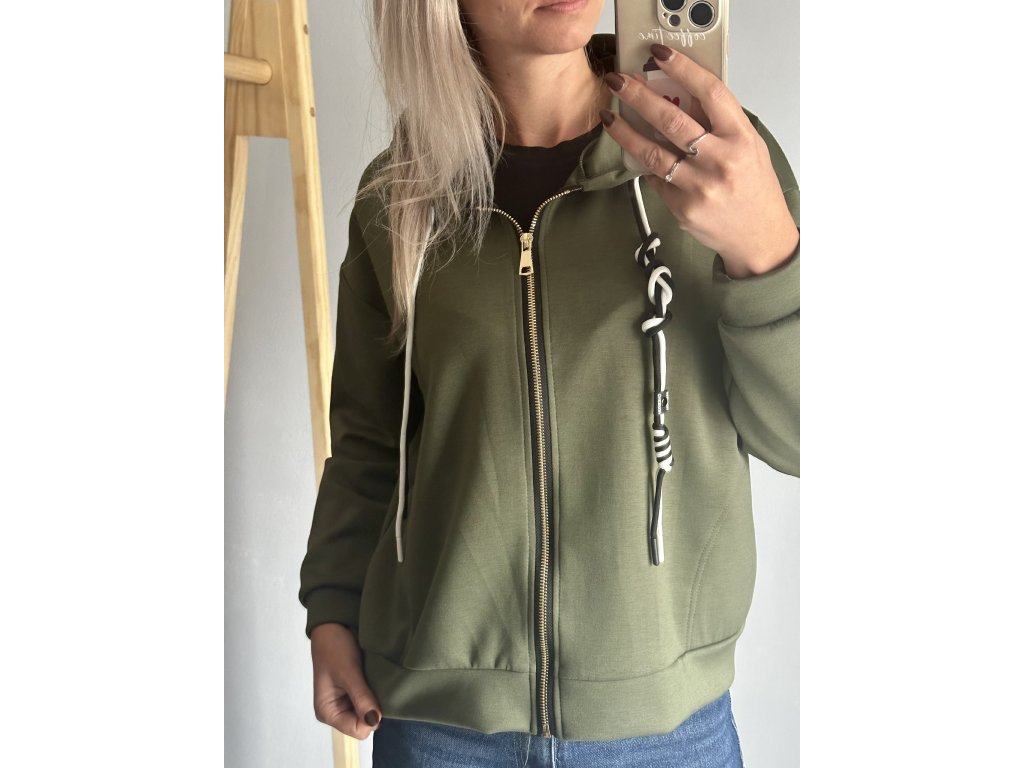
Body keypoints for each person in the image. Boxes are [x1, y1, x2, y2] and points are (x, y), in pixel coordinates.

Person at [299, 0, 799, 765]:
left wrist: (767, 255)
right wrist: (331, 607)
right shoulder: (400, 195)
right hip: (440, 729)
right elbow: (370, 440)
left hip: (665, 736)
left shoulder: (720, 163)